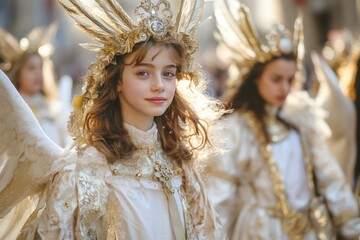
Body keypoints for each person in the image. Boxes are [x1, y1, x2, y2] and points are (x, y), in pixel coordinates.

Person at [0, 0, 226, 239]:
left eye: (168, 73)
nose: (159, 85)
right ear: (117, 80)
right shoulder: (83, 171)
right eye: (143, 73)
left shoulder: (181, 165)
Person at [205, 0, 360, 239]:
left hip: (307, 230)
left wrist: (351, 227)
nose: (284, 88)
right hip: (259, 232)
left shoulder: (300, 120)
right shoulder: (235, 130)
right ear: (256, 79)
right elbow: (219, 198)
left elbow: (331, 179)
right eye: (276, 79)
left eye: (290, 80)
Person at [0, 24, 70, 147]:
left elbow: (67, 144)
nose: (38, 73)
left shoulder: (55, 110)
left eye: (40, 68)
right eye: (31, 68)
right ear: (18, 73)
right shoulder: (9, 111)